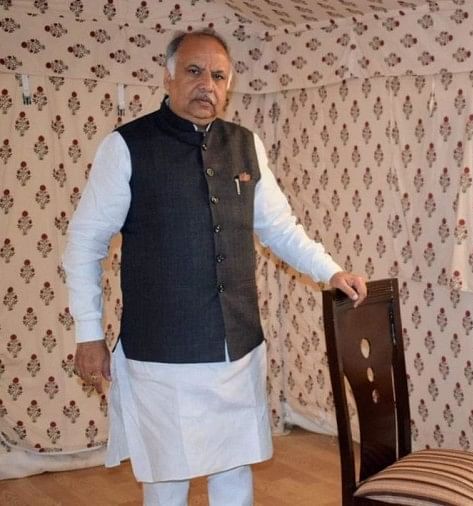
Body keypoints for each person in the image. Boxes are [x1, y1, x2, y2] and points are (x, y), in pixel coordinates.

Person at [63, 29, 367, 506]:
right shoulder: (126, 146)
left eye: (219, 76)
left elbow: (280, 228)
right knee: (167, 479)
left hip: (236, 349)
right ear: (168, 77)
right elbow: (84, 243)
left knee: (234, 470)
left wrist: (331, 272)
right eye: (195, 71)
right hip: (162, 355)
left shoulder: (246, 144)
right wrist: (87, 332)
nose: (207, 84)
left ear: (229, 86)